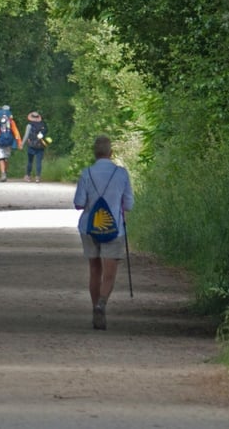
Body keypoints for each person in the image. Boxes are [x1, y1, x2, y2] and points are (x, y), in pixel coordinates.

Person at [73, 135, 134, 330]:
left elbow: (79, 203)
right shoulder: (121, 174)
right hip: (114, 228)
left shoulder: (86, 173)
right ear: (111, 153)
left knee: (94, 269)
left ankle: (94, 309)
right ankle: (102, 304)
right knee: (109, 272)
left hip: (89, 228)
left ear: (95, 153)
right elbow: (129, 204)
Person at [0, 105, 22, 182]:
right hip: (9, 141)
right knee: (6, 158)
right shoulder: (11, 121)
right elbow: (16, 131)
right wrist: (19, 142)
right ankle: (4, 172)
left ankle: (3, 173)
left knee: (1, 158)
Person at [22, 111, 48, 183]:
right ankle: (37, 177)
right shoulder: (43, 125)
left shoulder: (29, 125)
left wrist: (22, 144)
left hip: (31, 145)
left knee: (30, 161)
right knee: (38, 162)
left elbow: (26, 135)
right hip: (40, 145)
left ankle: (28, 176)